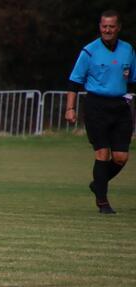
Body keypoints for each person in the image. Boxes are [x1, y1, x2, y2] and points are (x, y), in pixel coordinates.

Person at [65, 10, 135, 214]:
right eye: (104, 26)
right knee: (102, 154)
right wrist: (70, 108)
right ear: (100, 27)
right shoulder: (89, 51)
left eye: (111, 26)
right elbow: (74, 82)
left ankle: (98, 183)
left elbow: (132, 81)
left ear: (118, 27)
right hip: (96, 106)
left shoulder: (128, 50)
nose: (108, 30)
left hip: (120, 107)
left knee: (121, 158)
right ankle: (103, 202)